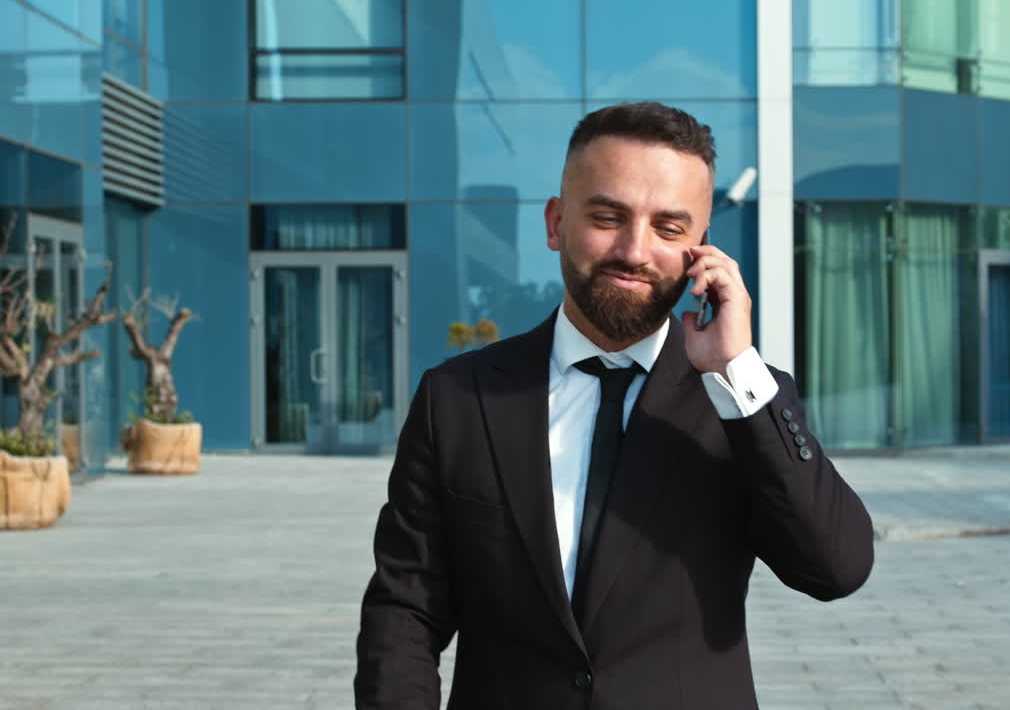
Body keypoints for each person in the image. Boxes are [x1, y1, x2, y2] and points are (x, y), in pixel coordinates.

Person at [354, 102, 874, 709]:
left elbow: (835, 567)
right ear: (555, 223)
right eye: (607, 216)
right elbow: (406, 610)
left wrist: (739, 373)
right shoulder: (458, 398)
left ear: (701, 250)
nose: (634, 249)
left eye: (669, 229)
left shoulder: (741, 401)